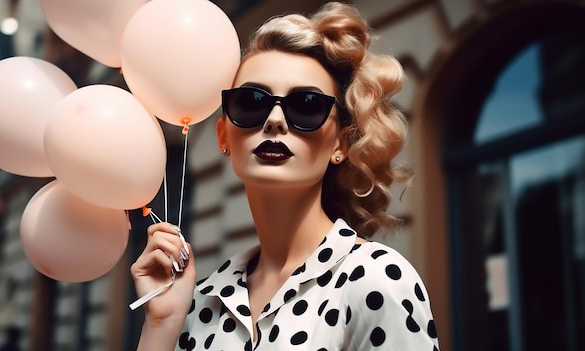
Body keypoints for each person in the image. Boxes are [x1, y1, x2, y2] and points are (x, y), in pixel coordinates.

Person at [131, 2, 439, 350]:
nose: (274, 120)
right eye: (251, 102)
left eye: (306, 104)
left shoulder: (376, 280)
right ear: (223, 137)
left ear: (341, 142)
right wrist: (162, 322)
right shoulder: (203, 300)